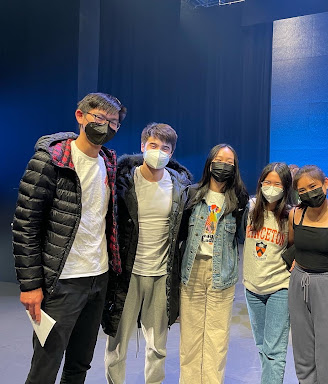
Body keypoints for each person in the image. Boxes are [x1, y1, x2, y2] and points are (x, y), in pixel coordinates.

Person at [12, 93, 126, 383]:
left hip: (98, 280)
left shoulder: (109, 163)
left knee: (79, 365)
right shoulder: (50, 161)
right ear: (80, 116)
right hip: (61, 283)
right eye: (99, 118)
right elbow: (26, 224)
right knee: (45, 368)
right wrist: (30, 285)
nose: (106, 126)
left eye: (113, 122)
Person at [103, 123, 192, 383]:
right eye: (153, 145)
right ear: (143, 146)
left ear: (172, 152)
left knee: (158, 347)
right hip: (127, 275)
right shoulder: (122, 182)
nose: (159, 152)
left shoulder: (180, 186)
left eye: (165, 148)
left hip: (162, 275)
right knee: (117, 345)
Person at [179, 144, 249, 384]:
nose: (224, 165)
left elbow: (243, 237)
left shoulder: (238, 199)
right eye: (219, 159)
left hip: (222, 275)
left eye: (229, 162)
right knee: (190, 338)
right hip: (192, 271)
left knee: (217, 338)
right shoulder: (192, 194)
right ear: (210, 163)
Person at [287, 165, 328, 384]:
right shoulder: (295, 214)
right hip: (298, 284)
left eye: (312, 186)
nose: (307, 193)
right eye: (301, 190)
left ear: (326, 183)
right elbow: (293, 245)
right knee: (302, 353)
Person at [242, 162, 293, 384]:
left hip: (279, 288)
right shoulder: (250, 208)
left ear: (286, 187)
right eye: (267, 182)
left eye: (277, 184)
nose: (271, 187)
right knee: (262, 346)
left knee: (274, 351)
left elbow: (294, 248)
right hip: (252, 288)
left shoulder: (290, 215)